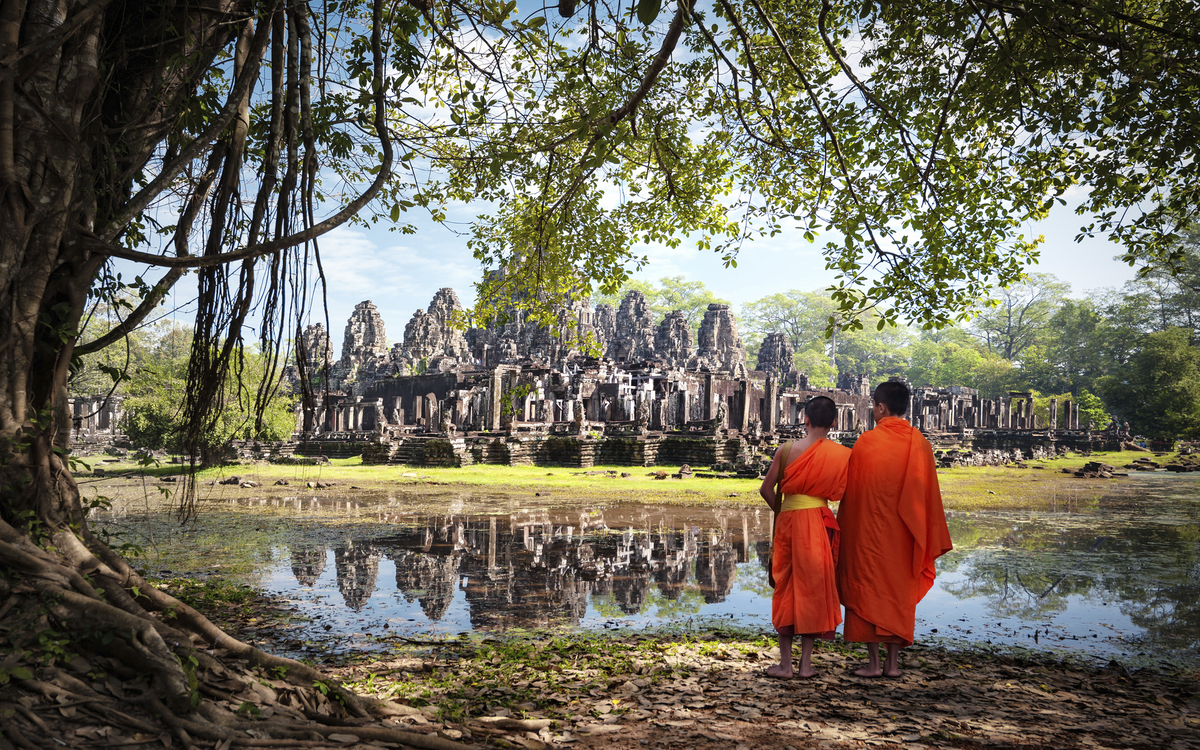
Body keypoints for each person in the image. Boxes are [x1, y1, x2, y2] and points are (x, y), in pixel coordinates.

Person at [837, 381, 952, 678]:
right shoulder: (920, 443)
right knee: (897, 592)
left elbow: (854, 496)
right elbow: (928, 496)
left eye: (874, 405)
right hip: (905, 536)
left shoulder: (866, 442)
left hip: (869, 535)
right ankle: (892, 664)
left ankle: (874, 664)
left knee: (867, 590)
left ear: (881, 407)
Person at [759, 396, 851, 678]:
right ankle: (805, 665)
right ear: (835, 423)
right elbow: (842, 493)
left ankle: (785, 664)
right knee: (814, 588)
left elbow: (766, 489)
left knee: (786, 586)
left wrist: (786, 509)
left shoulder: (786, 450)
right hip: (819, 523)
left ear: (805, 419)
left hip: (789, 523)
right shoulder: (842, 454)